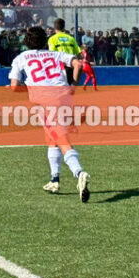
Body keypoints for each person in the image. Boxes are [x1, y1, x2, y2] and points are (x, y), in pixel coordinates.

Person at [9, 26, 90, 202]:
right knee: (51, 137)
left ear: (26, 42)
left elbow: (15, 86)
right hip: (63, 95)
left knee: (60, 138)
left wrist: (31, 90)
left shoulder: (20, 58)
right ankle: (55, 179)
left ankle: (79, 172)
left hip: (46, 101)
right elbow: (78, 63)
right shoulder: (54, 54)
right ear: (45, 40)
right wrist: (74, 84)